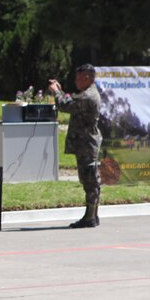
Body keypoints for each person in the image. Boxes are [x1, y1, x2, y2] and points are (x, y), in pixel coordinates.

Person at [49, 64, 102, 228]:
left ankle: (90, 217)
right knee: (89, 179)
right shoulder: (87, 94)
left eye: (79, 79)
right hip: (85, 143)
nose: (76, 82)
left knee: (90, 180)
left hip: (86, 144)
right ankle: (92, 215)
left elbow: (66, 105)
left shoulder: (88, 96)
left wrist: (56, 91)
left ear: (87, 78)